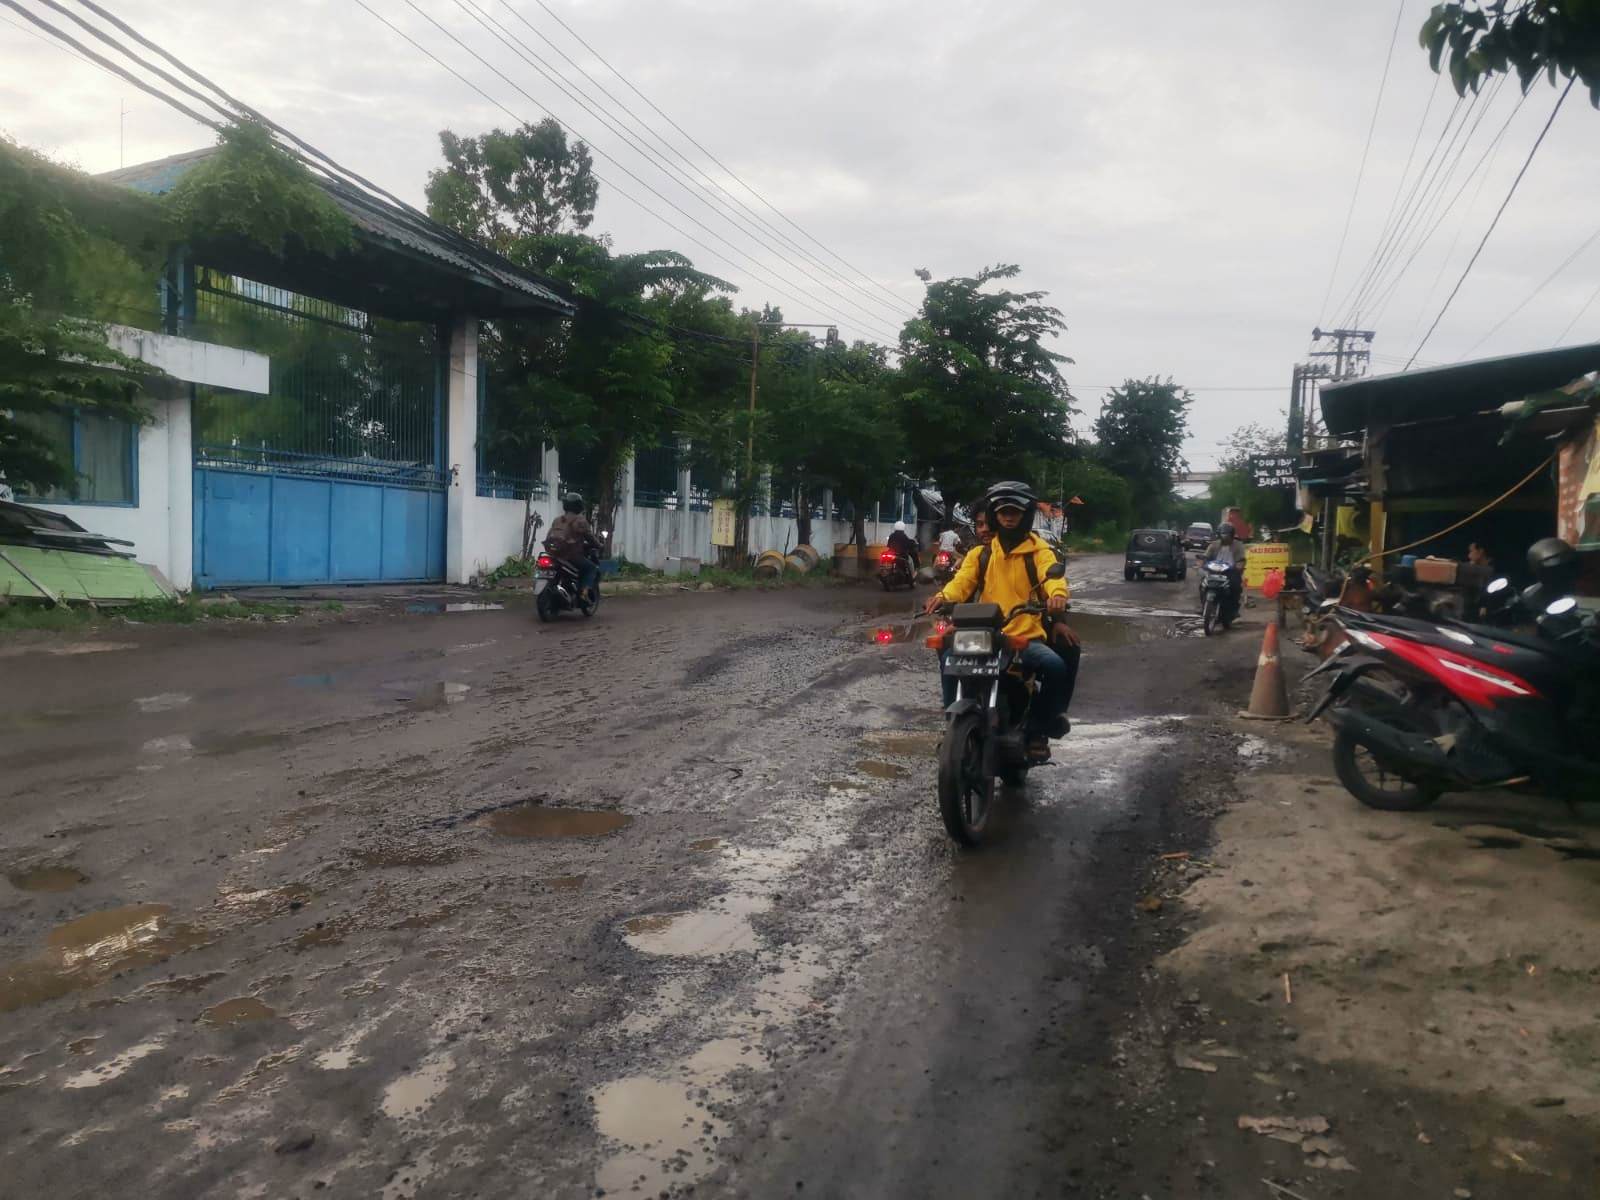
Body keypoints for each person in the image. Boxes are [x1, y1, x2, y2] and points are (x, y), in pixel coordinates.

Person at [924, 481, 1076, 762]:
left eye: (1015, 512)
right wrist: (943, 596)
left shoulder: (1040, 551)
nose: (1008, 516)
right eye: (1003, 511)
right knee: (946, 651)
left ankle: (1037, 732)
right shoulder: (979, 554)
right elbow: (961, 583)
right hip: (985, 633)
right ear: (996, 515)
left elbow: (1053, 577)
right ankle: (953, 726)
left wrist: (1056, 595)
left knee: (1055, 666)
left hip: (1024, 635)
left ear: (1026, 515)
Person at [547, 492, 601, 603]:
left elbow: (549, 536)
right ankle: (584, 594)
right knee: (591, 568)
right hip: (571, 556)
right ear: (579, 506)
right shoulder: (580, 520)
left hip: (554, 554)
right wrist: (599, 545)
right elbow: (590, 537)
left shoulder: (557, 520)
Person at [1202, 521, 1246, 609]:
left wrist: (1239, 565)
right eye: (1223, 534)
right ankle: (1204, 606)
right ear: (1219, 534)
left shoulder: (1238, 545)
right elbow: (1206, 556)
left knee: (1235, 587)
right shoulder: (1214, 544)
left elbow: (1241, 558)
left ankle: (1233, 608)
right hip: (1214, 571)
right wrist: (1202, 561)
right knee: (1202, 584)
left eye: (1227, 535)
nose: (1225, 537)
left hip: (1231, 572)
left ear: (1232, 535)